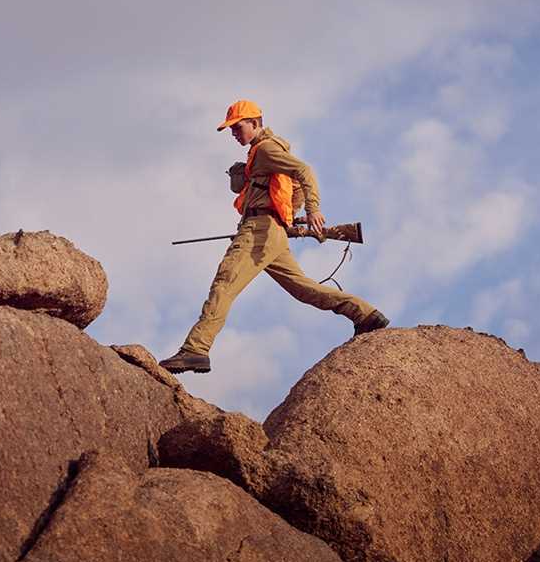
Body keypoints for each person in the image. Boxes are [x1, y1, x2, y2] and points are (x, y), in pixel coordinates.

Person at [160, 100, 389, 374]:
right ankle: (365, 314)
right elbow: (287, 191)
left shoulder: (265, 149)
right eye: (231, 129)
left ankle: (195, 349)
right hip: (270, 232)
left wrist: (313, 210)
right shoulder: (263, 151)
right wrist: (288, 218)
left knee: (224, 284)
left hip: (259, 232)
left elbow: (304, 172)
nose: (234, 133)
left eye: (237, 126)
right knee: (304, 289)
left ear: (255, 123)